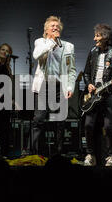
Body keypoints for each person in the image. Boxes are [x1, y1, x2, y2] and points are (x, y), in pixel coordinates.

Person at [25, 15, 76, 156]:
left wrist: (70, 87)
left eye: (57, 26)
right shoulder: (40, 42)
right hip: (43, 85)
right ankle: (33, 152)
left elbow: (71, 69)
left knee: (60, 120)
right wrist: (51, 42)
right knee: (39, 119)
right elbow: (36, 55)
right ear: (46, 29)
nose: (55, 27)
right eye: (52, 26)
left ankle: (58, 153)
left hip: (59, 86)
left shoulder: (68, 46)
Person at [83, 23, 112, 166]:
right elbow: (87, 72)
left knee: (108, 126)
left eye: (97, 35)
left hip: (109, 94)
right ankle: (90, 155)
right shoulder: (93, 51)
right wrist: (89, 83)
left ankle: (110, 157)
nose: (94, 38)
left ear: (105, 37)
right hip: (94, 94)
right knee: (89, 125)